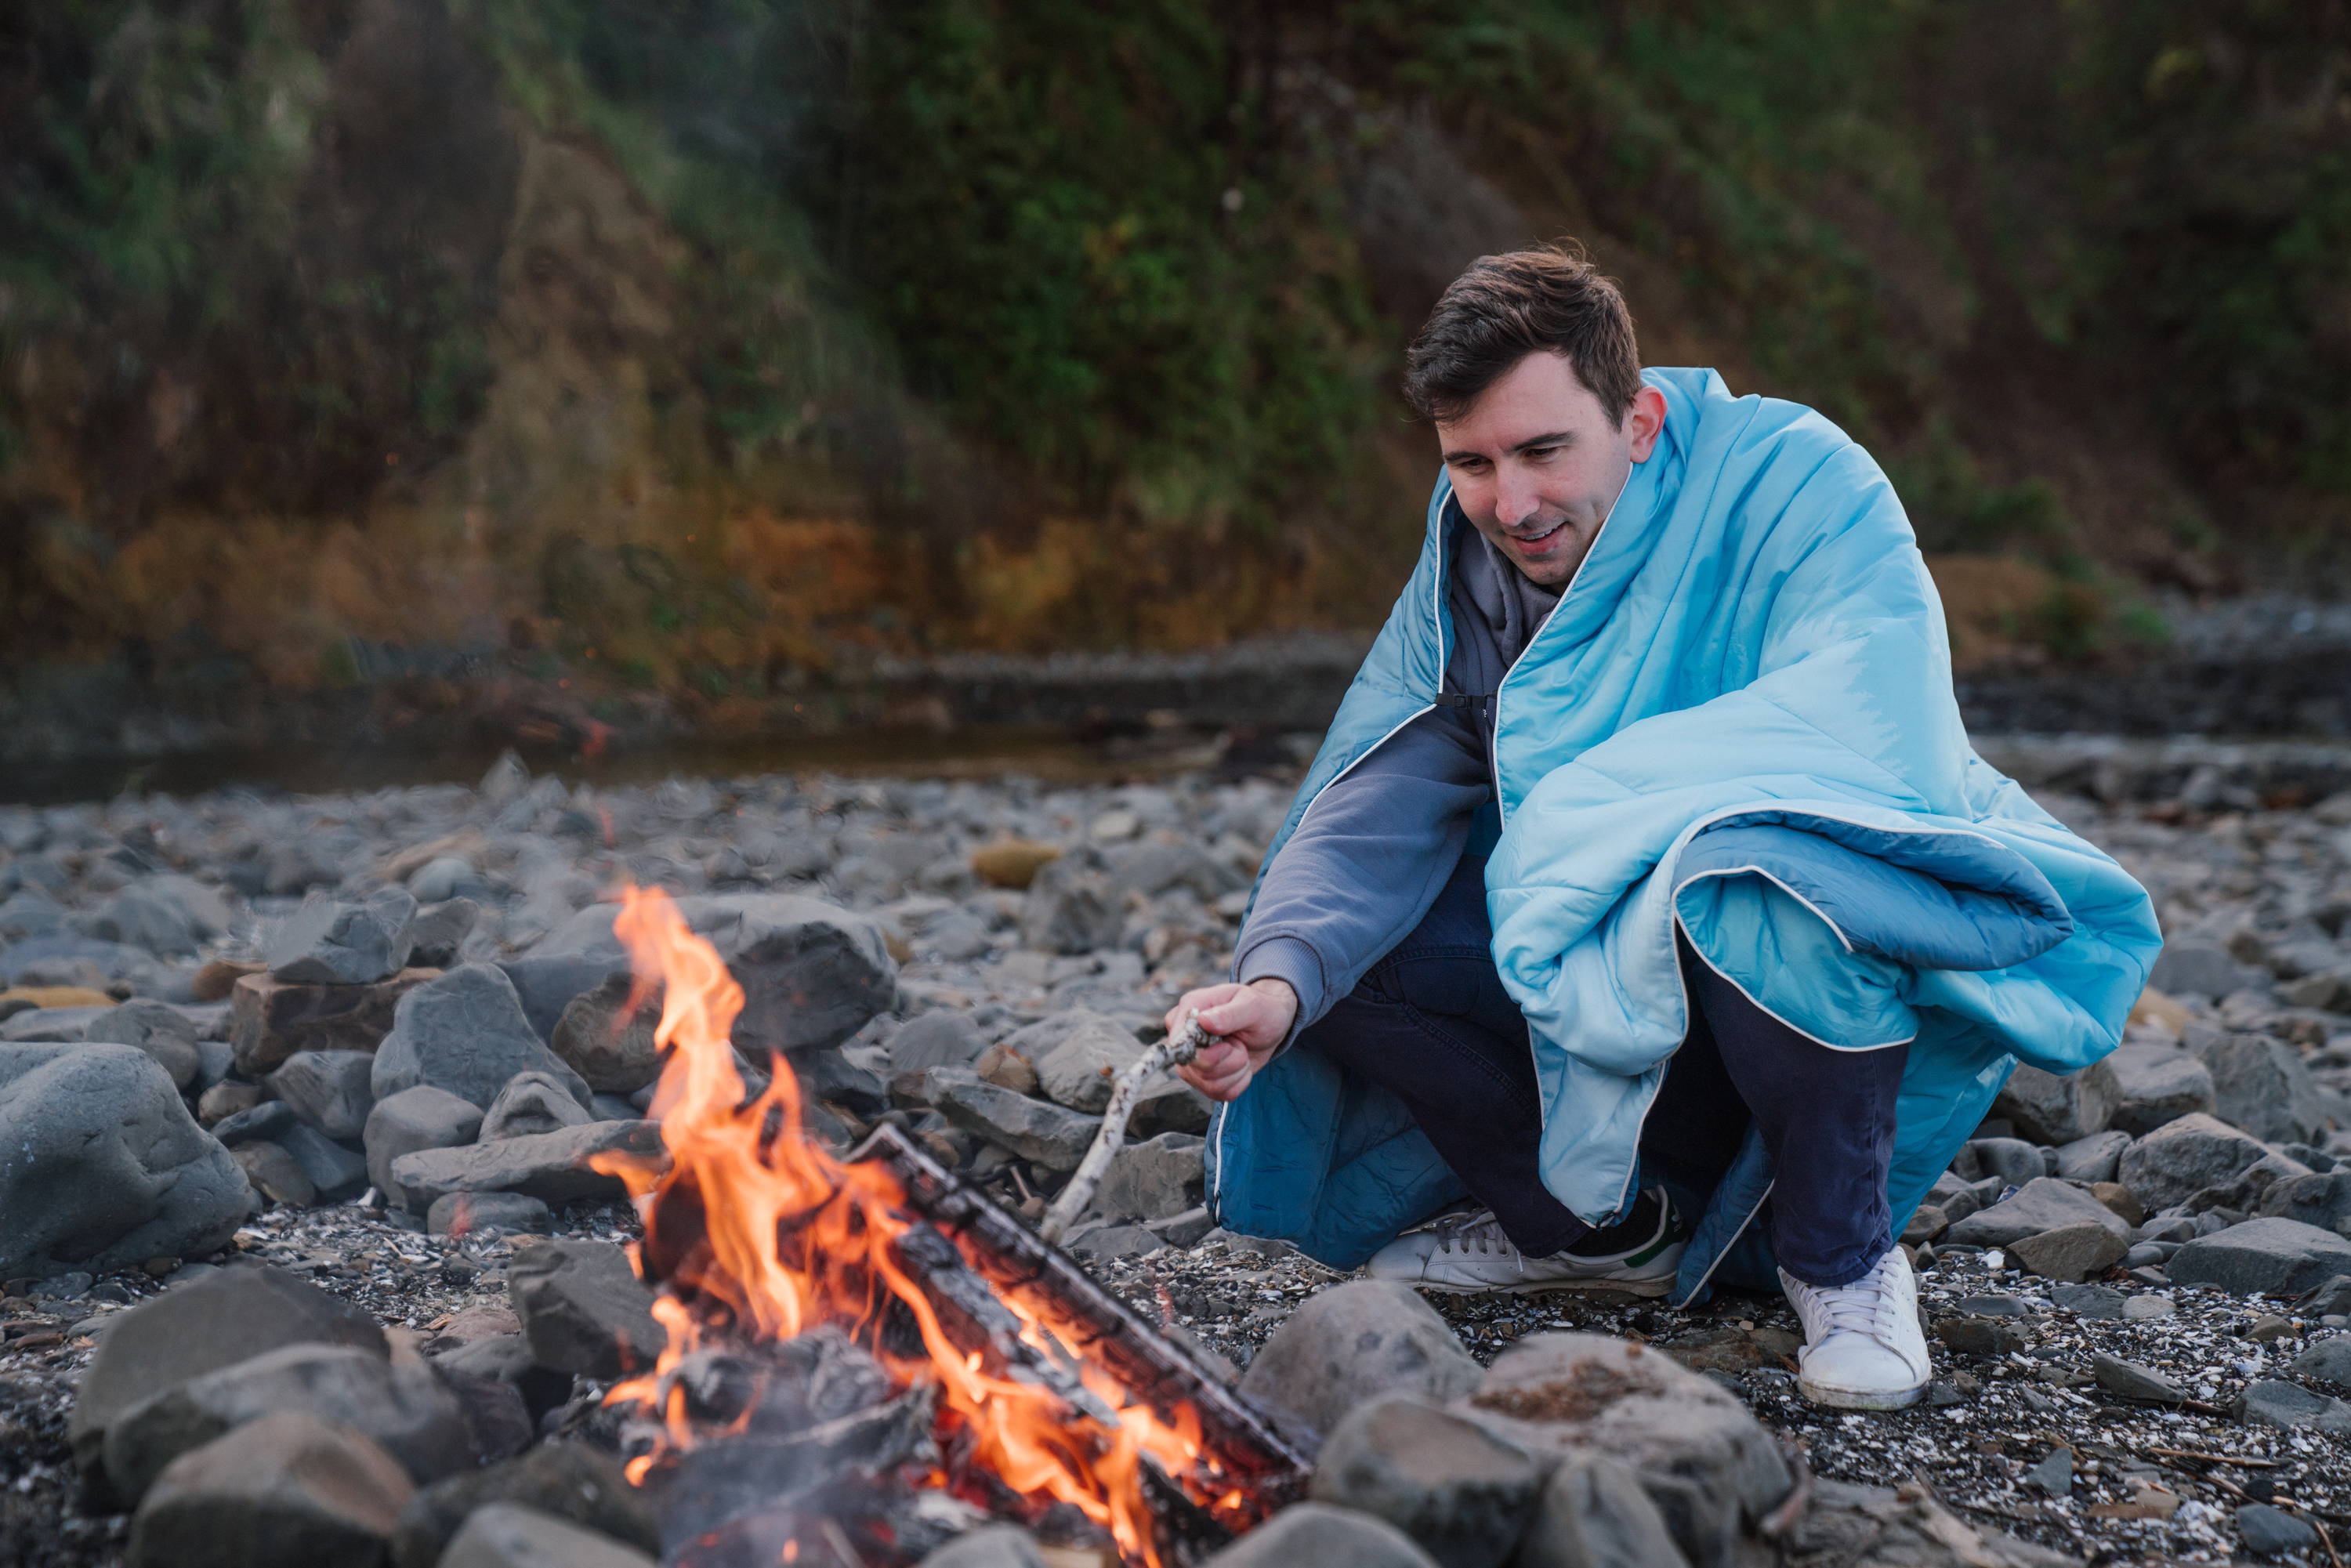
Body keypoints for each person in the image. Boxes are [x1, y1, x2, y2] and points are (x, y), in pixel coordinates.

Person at [1167, 245, 2160, 1410]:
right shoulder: (1475, 560)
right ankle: (1589, 1226)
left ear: (1637, 419)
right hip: (1587, 975)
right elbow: (1389, 788)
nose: (1512, 503)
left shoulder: (1796, 482)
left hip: (1776, 974)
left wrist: (1611, 825)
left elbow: (1871, 715)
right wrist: (1280, 984)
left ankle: (1836, 1256)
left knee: (1746, 875)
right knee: (1341, 945)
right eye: (1471, 463)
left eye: (1543, 450)